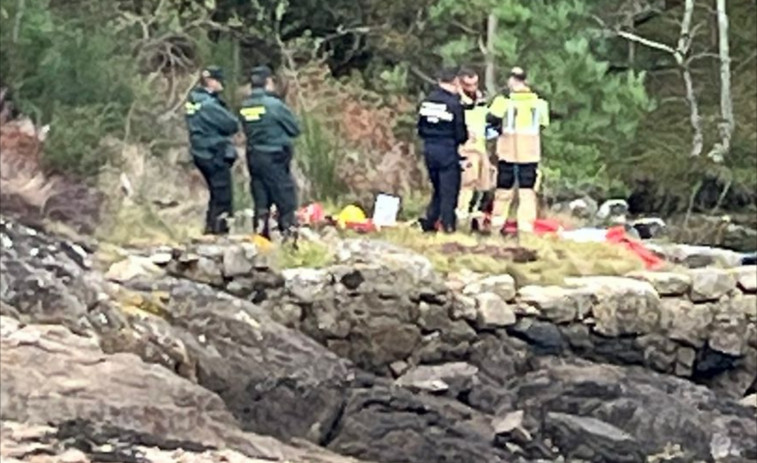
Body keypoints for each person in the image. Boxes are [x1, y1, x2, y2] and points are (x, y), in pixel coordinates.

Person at [239, 66, 301, 240]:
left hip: (253, 156)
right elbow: (294, 129)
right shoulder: (274, 105)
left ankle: (260, 238)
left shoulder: (245, 106)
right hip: (274, 156)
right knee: (285, 197)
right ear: (268, 82)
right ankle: (289, 238)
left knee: (261, 198)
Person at [486, 66, 549, 234]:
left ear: (511, 80)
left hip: (507, 152)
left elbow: (490, 121)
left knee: (503, 190)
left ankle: (497, 225)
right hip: (530, 153)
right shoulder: (540, 104)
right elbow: (543, 124)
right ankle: (526, 228)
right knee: (527, 191)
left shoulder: (503, 102)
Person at [185, 66, 239, 235]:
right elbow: (231, 124)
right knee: (223, 195)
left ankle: (210, 229)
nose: (222, 84)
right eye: (219, 80)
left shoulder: (193, 100)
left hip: (200, 152)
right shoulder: (209, 105)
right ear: (210, 81)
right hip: (213, 152)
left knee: (215, 194)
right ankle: (219, 231)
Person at [416, 67, 468, 233]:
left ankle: (430, 221)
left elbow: (420, 128)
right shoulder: (453, 104)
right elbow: (460, 133)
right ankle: (448, 225)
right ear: (455, 82)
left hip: (429, 149)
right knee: (449, 190)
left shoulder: (427, 101)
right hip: (447, 150)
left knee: (437, 188)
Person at [456, 67, 494, 224]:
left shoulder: (481, 101)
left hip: (481, 148)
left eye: (475, 84)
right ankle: (461, 214)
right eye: (468, 85)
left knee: (484, 183)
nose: (472, 88)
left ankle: (475, 216)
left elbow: (485, 123)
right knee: (467, 182)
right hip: (466, 148)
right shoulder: (457, 102)